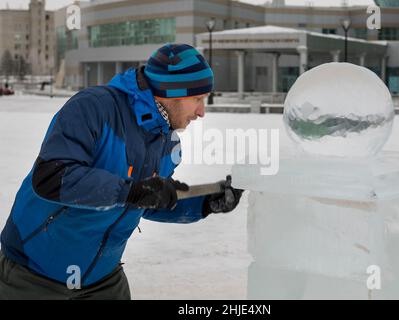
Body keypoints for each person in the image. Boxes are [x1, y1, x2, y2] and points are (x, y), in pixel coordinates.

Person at [0, 44, 243, 300]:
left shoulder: (167, 142)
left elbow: (147, 201)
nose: (202, 112)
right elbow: (52, 177)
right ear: (172, 93)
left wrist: (204, 203)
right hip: (33, 276)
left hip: (103, 279)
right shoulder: (94, 108)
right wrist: (130, 191)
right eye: (198, 99)